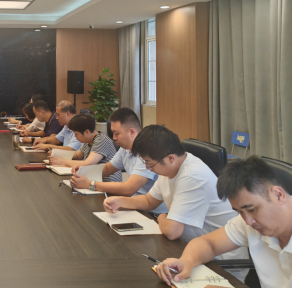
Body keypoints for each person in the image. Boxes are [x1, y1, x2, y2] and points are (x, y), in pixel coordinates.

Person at [103, 125, 246, 261]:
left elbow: (172, 232)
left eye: (149, 163)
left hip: (219, 259)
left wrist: (162, 217)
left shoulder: (191, 176)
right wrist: (120, 201)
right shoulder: (170, 168)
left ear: (170, 158)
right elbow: (149, 201)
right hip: (190, 248)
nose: (147, 167)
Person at [156, 156, 291, 288]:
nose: (248, 221)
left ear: (278, 195)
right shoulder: (250, 221)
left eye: (252, 209)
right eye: (240, 212)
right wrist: (186, 261)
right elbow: (208, 243)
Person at [69, 108, 166, 213]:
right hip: (134, 204)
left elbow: (128, 189)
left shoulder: (147, 152)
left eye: (116, 133)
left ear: (131, 132)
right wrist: (84, 170)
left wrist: (89, 184)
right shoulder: (125, 148)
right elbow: (107, 168)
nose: (114, 138)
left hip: (152, 213)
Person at [49, 113, 122, 182]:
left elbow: (87, 164)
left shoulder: (101, 140)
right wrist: (57, 154)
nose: (75, 136)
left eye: (76, 134)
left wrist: (63, 161)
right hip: (94, 179)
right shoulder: (88, 141)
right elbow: (77, 155)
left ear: (87, 132)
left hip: (107, 182)